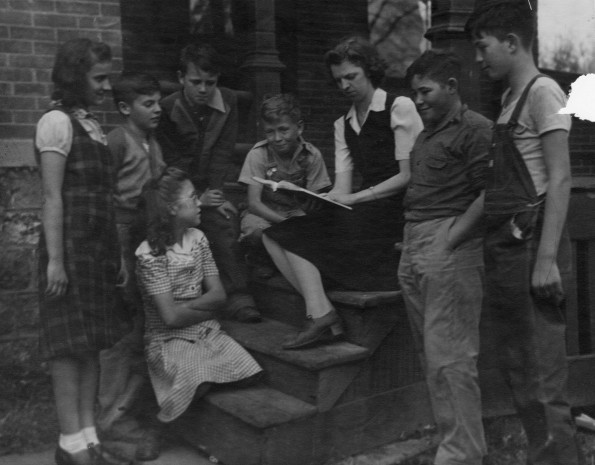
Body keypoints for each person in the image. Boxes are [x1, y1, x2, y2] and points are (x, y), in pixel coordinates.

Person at [467, 1, 582, 463]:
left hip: (535, 247)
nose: (478, 57)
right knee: (520, 374)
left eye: (483, 47)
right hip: (508, 248)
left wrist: (547, 260)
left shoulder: (544, 92)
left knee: (543, 383)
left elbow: (561, 178)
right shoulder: (508, 101)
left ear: (512, 43)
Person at [263, 36, 423, 350]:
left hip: (397, 212)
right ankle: (322, 313)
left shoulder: (398, 106)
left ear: (369, 71)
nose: (345, 85)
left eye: (352, 76)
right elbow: (342, 188)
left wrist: (353, 199)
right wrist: (316, 197)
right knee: (274, 234)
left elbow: (408, 176)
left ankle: (323, 318)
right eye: (339, 80)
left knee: (298, 237)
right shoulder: (343, 123)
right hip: (364, 208)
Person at [36, 38, 128, 465]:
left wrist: (120, 256)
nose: (107, 87)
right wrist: (56, 260)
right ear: (76, 77)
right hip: (69, 248)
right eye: (99, 78)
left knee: (92, 343)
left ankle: (90, 436)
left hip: (99, 249)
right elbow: (52, 197)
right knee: (67, 346)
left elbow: (107, 197)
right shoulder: (55, 123)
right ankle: (69, 441)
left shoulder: (91, 124)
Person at [397, 50, 492, 465]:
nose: (418, 101)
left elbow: (492, 193)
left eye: (426, 91)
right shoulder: (425, 136)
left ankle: (463, 455)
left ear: (452, 87)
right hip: (417, 244)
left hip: (449, 247)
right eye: (414, 93)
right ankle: (457, 446)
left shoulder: (476, 129)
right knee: (433, 357)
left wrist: (449, 239)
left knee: (451, 358)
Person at [135, 167, 262, 423]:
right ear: (171, 208)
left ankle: (192, 389)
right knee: (195, 374)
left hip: (204, 330)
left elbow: (219, 295)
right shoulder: (151, 253)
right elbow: (169, 319)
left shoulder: (198, 239)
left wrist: (188, 308)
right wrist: (202, 307)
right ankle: (157, 422)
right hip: (167, 339)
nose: (198, 203)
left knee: (252, 373)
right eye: (193, 198)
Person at [157, 43, 261, 323]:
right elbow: (174, 159)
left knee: (224, 218)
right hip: (177, 186)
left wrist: (215, 194)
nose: (203, 89)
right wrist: (195, 196)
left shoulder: (227, 102)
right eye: (196, 82)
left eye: (210, 83)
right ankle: (188, 297)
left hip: (210, 182)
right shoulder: (167, 108)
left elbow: (223, 152)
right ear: (181, 78)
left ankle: (238, 295)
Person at [98, 72, 166, 462]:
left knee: (143, 327)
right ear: (125, 108)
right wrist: (118, 253)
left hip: (147, 234)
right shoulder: (118, 139)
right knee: (121, 331)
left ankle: (127, 416)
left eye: (158, 102)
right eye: (149, 104)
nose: (158, 109)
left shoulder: (152, 142)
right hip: (121, 235)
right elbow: (104, 196)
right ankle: (110, 422)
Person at [237, 93, 331, 273]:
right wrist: (283, 223)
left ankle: (300, 268)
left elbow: (316, 199)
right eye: (270, 132)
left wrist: (306, 214)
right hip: (264, 212)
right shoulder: (258, 154)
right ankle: (263, 259)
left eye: (283, 129)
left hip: (296, 213)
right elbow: (254, 203)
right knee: (256, 230)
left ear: (299, 127)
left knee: (314, 232)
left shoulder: (311, 156)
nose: (277, 138)